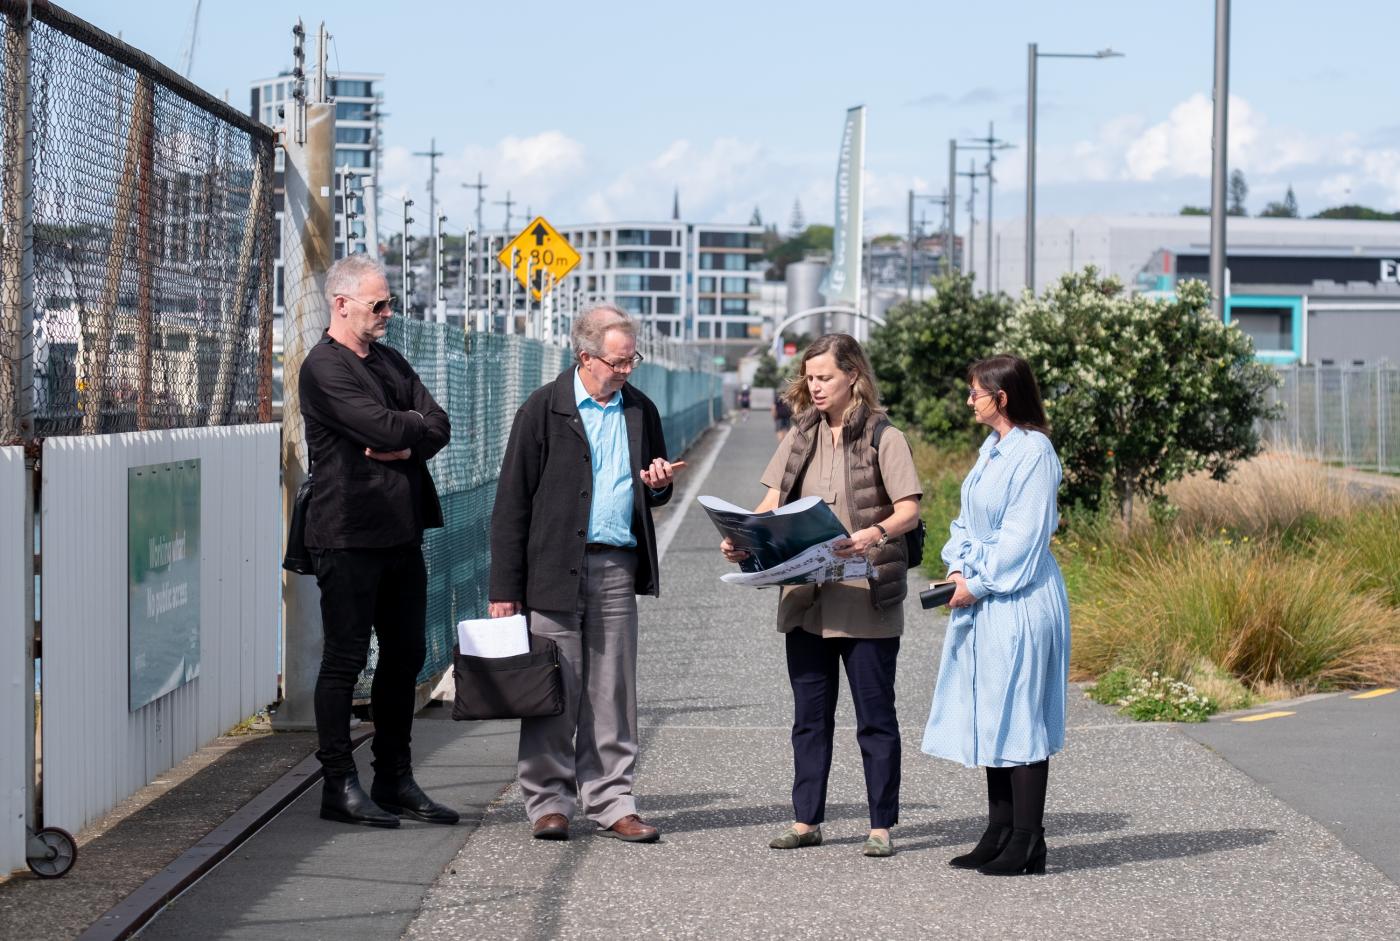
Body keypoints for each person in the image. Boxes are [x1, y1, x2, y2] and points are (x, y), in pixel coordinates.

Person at [719, 333, 922, 857]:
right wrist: (741, 537)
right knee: (809, 717)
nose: (815, 387)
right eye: (810, 377)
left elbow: (909, 510)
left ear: (853, 374)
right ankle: (806, 820)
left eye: (825, 377)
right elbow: (769, 503)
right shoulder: (799, 434)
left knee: (875, 717)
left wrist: (874, 534)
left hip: (865, 596)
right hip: (806, 598)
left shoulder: (884, 436)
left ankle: (881, 826)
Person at [489, 304, 682, 844]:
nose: (626, 371)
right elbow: (510, 505)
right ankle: (549, 802)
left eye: (631, 361)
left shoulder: (639, 409)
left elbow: (655, 487)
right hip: (551, 569)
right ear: (585, 357)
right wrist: (504, 590)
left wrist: (659, 483)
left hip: (617, 564)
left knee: (612, 690)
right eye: (618, 363)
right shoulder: (542, 409)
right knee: (554, 687)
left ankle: (613, 800)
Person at [298, 254, 457, 828]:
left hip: (401, 532)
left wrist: (407, 440)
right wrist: (407, 431)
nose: (388, 313)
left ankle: (394, 776)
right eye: (378, 304)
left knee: (406, 654)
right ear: (341, 304)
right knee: (344, 659)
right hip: (346, 533)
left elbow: (437, 422)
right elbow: (384, 427)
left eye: (389, 303)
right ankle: (338, 783)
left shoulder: (389, 360)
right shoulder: (323, 367)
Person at [921, 354, 1070, 876]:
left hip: (1019, 596)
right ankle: (999, 830)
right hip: (985, 596)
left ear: (1000, 398)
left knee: (1020, 711)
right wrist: (957, 567)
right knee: (992, 707)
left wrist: (978, 583)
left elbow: (1024, 538)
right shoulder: (993, 448)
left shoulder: (1034, 452)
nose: (969, 400)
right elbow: (966, 520)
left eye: (975, 392)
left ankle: (1030, 839)